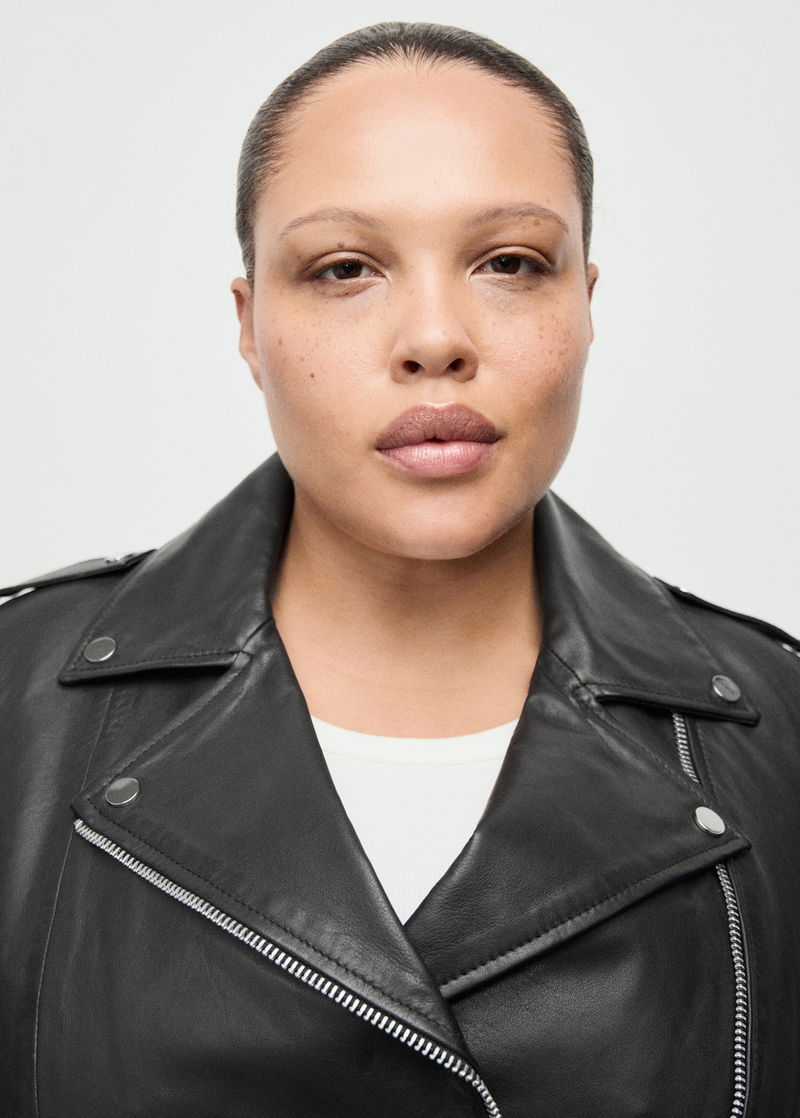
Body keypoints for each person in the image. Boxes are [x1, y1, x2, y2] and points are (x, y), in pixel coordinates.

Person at [1, 21, 798, 1118]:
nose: (434, 338)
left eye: (510, 263)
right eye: (344, 269)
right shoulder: (16, 704)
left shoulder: (778, 730)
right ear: (250, 324)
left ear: (584, 304)